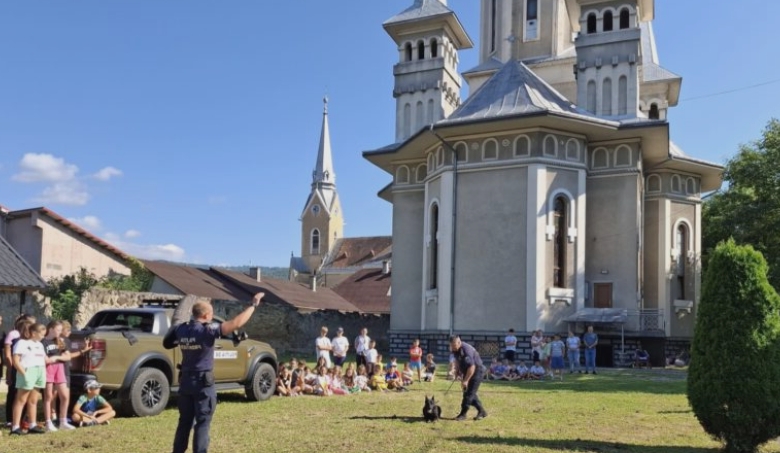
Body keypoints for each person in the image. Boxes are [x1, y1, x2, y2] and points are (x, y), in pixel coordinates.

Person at [163, 292, 265, 453]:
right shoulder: (207, 331)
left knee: (184, 422)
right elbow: (236, 323)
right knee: (203, 423)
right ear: (205, 315)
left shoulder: (182, 329)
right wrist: (253, 305)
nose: (212, 316)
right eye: (211, 313)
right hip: (203, 383)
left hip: (186, 383)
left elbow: (168, 339)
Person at [450, 335, 487, 421]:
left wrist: (465, 380)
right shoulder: (454, 349)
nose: (453, 347)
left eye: (454, 345)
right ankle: (482, 411)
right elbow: (457, 359)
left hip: (477, 371)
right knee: (469, 393)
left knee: (468, 394)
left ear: (459, 342)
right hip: (467, 371)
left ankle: (463, 414)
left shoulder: (466, 350)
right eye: (451, 345)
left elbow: (472, 367)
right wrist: (457, 371)